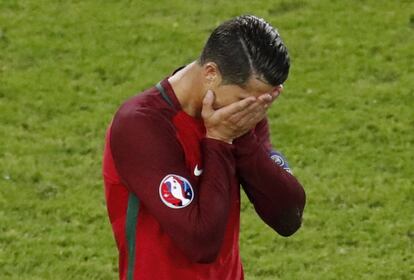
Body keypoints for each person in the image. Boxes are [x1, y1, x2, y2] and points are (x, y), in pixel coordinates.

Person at [103, 15, 306, 280]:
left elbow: (288, 217)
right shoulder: (140, 126)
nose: (252, 110)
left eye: (262, 104)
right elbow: (201, 242)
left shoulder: (238, 115)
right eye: (245, 100)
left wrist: (243, 139)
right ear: (211, 73)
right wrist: (220, 140)